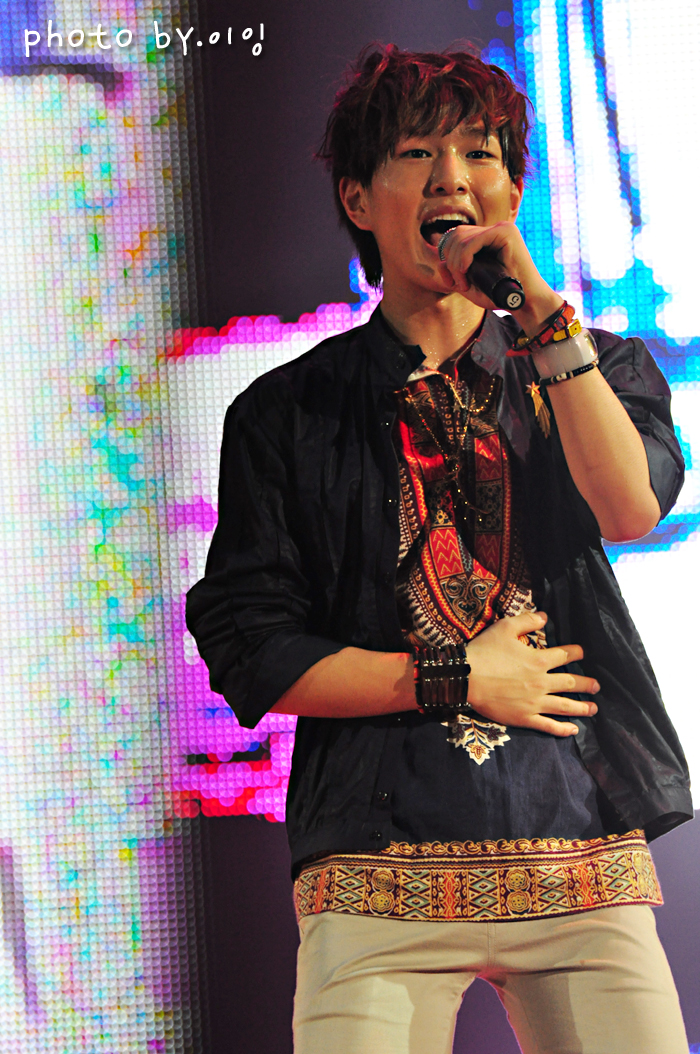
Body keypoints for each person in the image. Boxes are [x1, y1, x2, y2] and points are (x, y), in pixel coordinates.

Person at [186, 45, 692, 1054]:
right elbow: (254, 646)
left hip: (577, 851)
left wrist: (541, 314)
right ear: (357, 198)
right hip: (376, 870)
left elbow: (629, 506)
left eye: (480, 153)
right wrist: (457, 676)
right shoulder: (286, 412)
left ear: (511, 191)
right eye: (418, 153)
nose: (452, 178)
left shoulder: (592, 364)